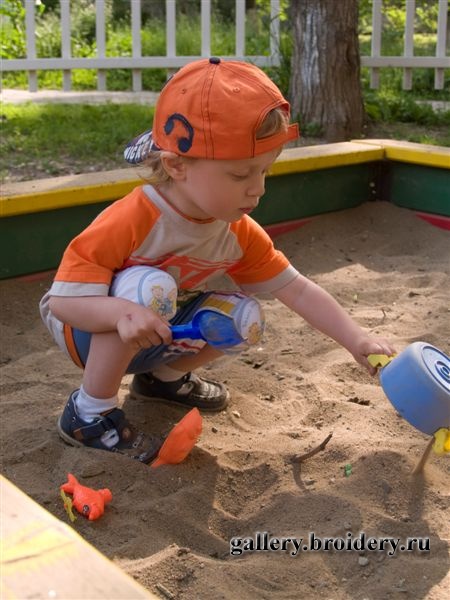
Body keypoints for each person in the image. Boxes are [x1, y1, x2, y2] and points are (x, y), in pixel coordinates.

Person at [40, 57, 394, 464]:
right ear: (177, 165)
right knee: (149, 288)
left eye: (264, 172)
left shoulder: (236, 230)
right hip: (87, 329)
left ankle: (162, 381)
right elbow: (63, 302)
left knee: (244, 318)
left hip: (158, 333)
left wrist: (356, 340)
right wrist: (121, 313)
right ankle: (89, 412)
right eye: (241, 175)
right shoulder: (134, 219)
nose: (257, 189)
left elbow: (296, 289)